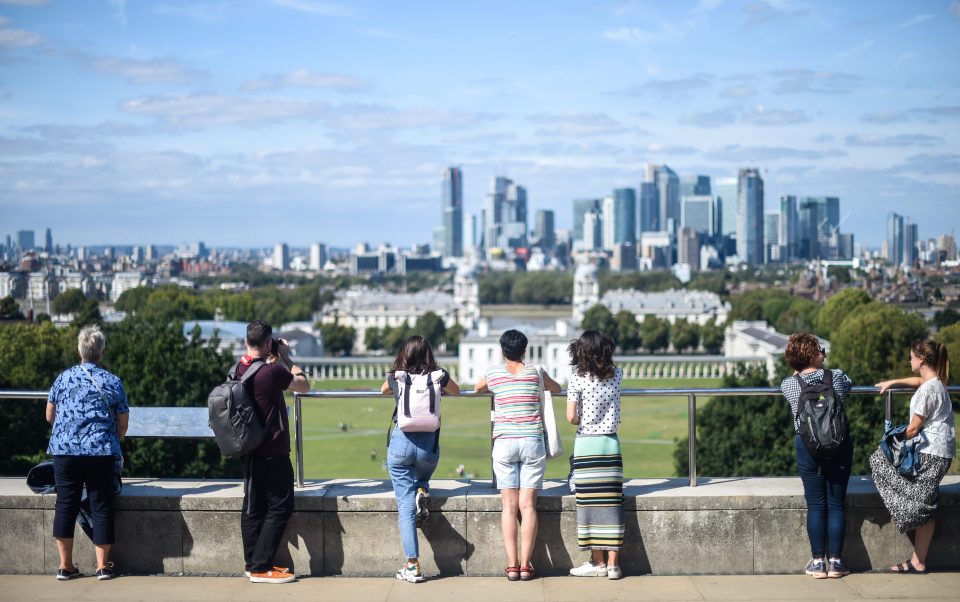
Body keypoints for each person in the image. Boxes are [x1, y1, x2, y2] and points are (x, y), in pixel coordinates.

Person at [474, 329, 560, 581]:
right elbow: (555, 388)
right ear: (525, 350)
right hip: (532, 440)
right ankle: (526, 565)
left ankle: (512, 565)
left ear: (503, 351)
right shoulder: (536, 372)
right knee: (528, 505)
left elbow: (477, 388)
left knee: (509, 507)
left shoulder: (493, 373)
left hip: (504, 441)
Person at [46, 325, 129, 581]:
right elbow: (123, 424)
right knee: (101, 505)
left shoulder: (63, 378)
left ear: (79, 350)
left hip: (64, 452)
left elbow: (50, 416)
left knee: (65, 505)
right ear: (101, 352)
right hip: (100, 451)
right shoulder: (113, 381)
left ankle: (65, 566)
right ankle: (103, 566)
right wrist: (107, 438)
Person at [871, 340, 955, 574]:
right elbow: (918, 381)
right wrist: (893, 382)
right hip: (940, 452)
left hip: (931, 453)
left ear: (922, 360)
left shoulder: (929, 390)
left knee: (879, 461)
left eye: (911, 357)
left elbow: (913, 428)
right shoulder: (935, 382)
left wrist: (891, 439)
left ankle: (908, 522)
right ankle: (918, 561)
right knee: (926, 505)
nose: (909, 360)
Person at [380, 335, 459, 583]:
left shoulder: (396, 376)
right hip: (429, 447)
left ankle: (412, 564)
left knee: (404, 506)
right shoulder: (439, 375)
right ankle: (422, 487)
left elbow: (382, 389)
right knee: (422, 475)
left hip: (402, 444)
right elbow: (455, 391)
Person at [237, 319, 310, 584]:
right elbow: (303, 384)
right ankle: (260, 566)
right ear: (268, 342)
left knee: (252, 508)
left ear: (247, 341)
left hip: (249, 449)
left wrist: (272, 354)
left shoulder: (239, 368)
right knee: (281, 506)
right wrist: (285, 357)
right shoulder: (272, 372)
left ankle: (251, 563)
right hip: (273, 449)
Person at [780, 333, 854, 579]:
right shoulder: (837, 377)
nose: (824, 353)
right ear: (812, 353)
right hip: (839, 445)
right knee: (836, 504)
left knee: (815, 504)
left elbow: (791, 392)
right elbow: (849, 387)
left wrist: (798, 375)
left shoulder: (789, 385)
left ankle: (817, 563)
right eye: (820, 349)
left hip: (807, 446)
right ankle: (836, 562)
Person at [565, 331, 624, 580]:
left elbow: (571, 417)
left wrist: (583, 419)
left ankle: (597, 563)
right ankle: (613, 565)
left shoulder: (577, 378)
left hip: (586, 444)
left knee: (589, 505)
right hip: (610, 444)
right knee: (612, 504)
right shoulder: (618, 375)